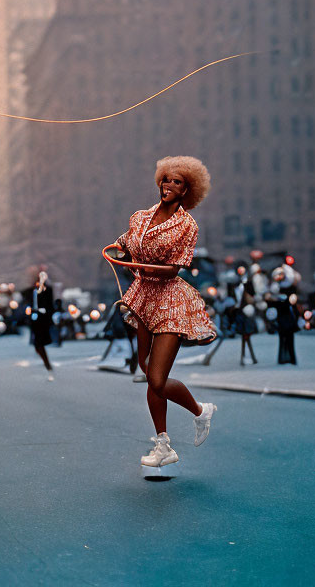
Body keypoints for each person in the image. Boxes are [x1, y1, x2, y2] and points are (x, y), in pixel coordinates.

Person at [113, 156, 217, 468]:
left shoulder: (187, 225)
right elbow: (126, 245)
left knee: (157, 379)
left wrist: (145, 265)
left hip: (171, 298)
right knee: (146, 369)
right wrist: (122, 251)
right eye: (166, 179)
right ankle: (163, 446)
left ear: (187, 190)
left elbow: (175, 267)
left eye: (177, 182)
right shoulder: (140, 217)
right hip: (144, 296)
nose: (168, 185)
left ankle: (201, 411)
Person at [21, 270, 55, 380]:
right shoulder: (32, 291)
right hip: (34, 319)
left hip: (43, 319)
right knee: (37, 343)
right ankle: (47, 363)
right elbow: (24, 296)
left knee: (39, 342)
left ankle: (47, 364)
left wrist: (46, 312)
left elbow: (50, 305)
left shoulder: (48, 290)